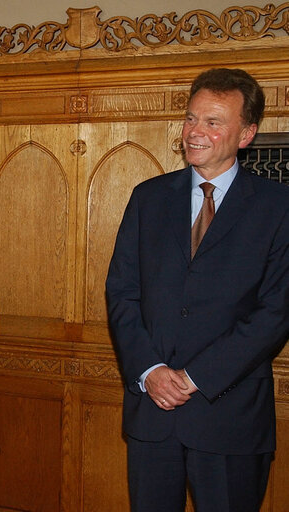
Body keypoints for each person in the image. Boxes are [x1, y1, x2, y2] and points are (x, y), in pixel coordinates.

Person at [106, 67, 289, 512]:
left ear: (246, 134)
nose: (195, 132)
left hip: (230, 419)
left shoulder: (277, 207)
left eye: (212, 122)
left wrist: (193, 378)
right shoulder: (148, 198)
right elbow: (121, 292)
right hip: (153, 415)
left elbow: (275, 313)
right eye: (191, 119)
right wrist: (150, 371)